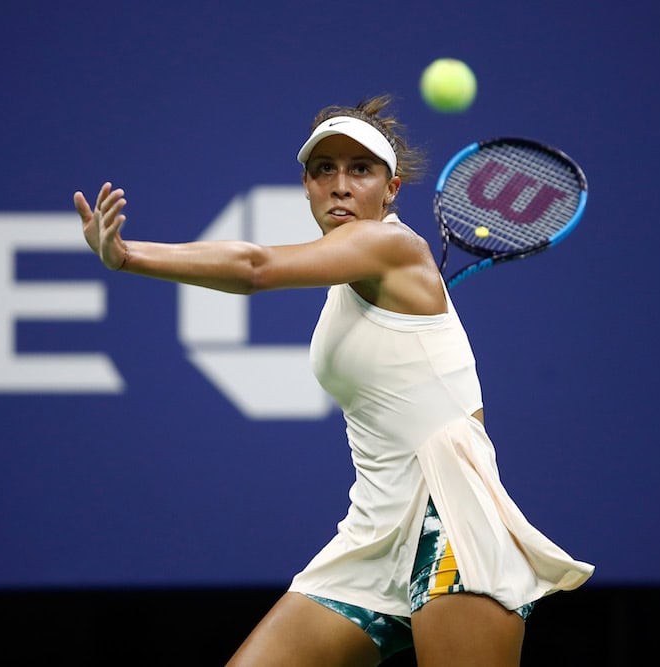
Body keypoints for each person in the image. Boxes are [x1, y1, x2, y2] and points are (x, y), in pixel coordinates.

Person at [74, 94, 594, 667]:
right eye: (325, 169)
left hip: (450, 525)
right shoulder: (351, 276)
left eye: (361, 169)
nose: (340, 185)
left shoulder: (391, 244)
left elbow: (255, 268)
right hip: (373, 535)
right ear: (305, 184)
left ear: (390, 189)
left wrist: (128, 255)